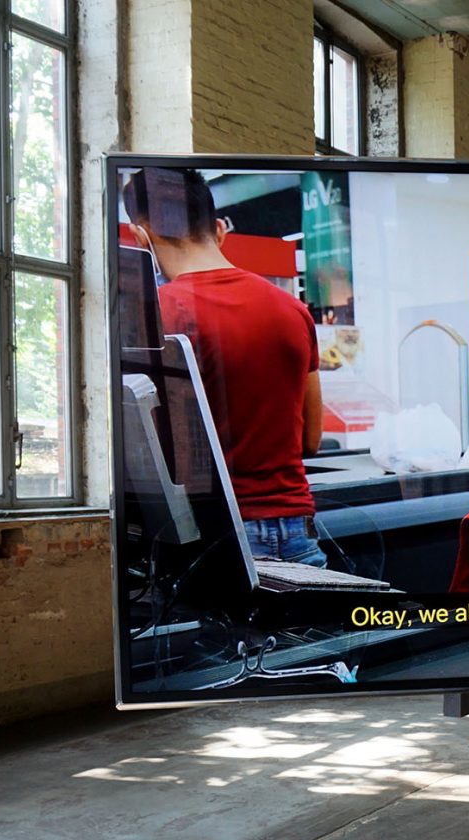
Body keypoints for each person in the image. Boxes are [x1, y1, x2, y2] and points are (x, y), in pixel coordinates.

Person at [121, 167, 327, 567]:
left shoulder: (152, 315)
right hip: (298, 532)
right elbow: (310, 440)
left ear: (140, 236)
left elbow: (151, 449)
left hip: (214, 539)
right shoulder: (294, 310)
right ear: (218, 228)